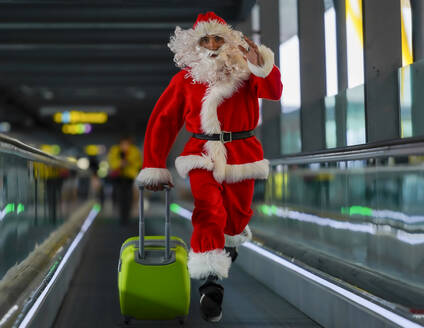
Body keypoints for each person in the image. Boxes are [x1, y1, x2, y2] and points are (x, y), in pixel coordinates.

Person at [135, 12, 282, 322]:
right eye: (205, 39)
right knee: (209, 210)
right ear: (194, 44)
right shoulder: (184, 80)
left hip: (242, 153)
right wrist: (153, 165)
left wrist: (259, 60)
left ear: (229, 41)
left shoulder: (245, 73)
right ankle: (210, 283)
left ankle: (226, 249)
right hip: (201, 153)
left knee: (237, 218)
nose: (212, 44)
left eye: (218, 38)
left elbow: (274, 92)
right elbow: (163, 121)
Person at [108, 136, 142, 225]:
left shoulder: (134, 151)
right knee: (120, 196)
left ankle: (127, 216)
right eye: (123, 144)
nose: (125, 146)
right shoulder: (115, 150)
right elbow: (111, 162)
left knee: (128, 197)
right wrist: (120, 163)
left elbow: (138, 163)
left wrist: (128, 161)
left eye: (127, 144)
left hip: (129, 178)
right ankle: (121, 216)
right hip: (118, 178)